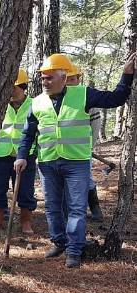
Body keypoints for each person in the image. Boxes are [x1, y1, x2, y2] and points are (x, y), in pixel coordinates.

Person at [14, 53, 135, 268]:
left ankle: (74, 250)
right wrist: (22, 156)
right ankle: (59, 242)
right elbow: (28, 133)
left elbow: (116, 99)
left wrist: (126, 76)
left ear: (63, 77)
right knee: (52, 206)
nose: (45, 82)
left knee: (77, 207)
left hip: (76, 162)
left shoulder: (83, 94)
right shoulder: (37, 102)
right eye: (43, 78)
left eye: (49, 77)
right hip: (48, 162)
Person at [0, 69, 36, 234]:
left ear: (23, 87)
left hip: (25, 156)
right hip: (0, 153)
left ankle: (25, 222)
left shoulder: (35, 104)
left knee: (25, 191)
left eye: (14, 87)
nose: (10, 91)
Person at [66, 63, 104, 221]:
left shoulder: (87, 98)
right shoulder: (58, 98)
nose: (69, 82)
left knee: (86, 179)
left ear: (78, 79)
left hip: (82, 150)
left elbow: (95, 127)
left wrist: (89, 146)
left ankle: (96, 210)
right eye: (66, 79)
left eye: (72, 79)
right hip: (61, 150)